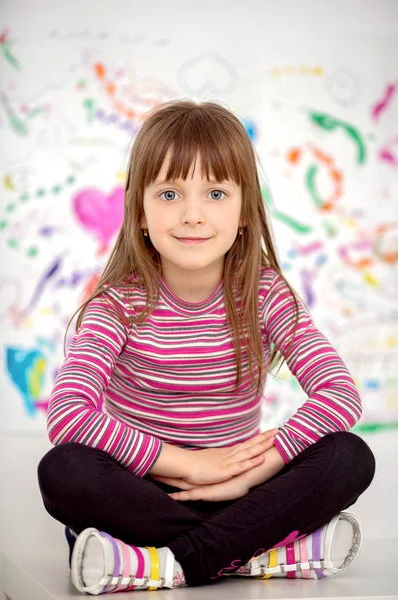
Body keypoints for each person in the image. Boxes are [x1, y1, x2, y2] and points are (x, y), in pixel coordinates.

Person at [37, 99, 376, 596]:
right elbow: (69, 413)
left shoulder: (264, 294)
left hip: (242, 492)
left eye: (216, 193)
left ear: (244, 212)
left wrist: (249, 472)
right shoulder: (116, 305)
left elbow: (340, 395)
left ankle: (157, 562)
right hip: (149, 490)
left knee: (349, 457)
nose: (192, 215)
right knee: (64, 470)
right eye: (170, 193)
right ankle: (256, 553)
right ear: (139, 210)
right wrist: (189, 464)